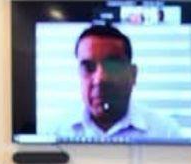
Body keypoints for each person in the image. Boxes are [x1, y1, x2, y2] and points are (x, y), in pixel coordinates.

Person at [52, 24, 183, 140]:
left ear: (133, 75)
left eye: (112, 66)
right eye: (88, 67)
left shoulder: (166, 133)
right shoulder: (55, 132)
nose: (100, 79)